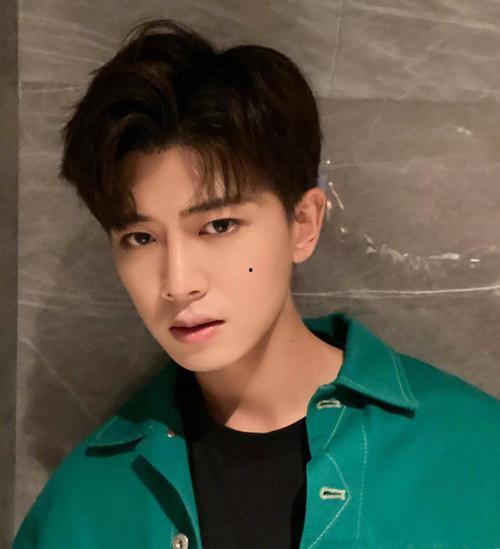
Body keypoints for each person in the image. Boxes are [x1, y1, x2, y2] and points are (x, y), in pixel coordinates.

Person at [13, 18, 500, 549]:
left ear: (303, 224)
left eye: (219, 226)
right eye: (140, 238)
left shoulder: (473, 450)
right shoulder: (83, 504)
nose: (178, 283)